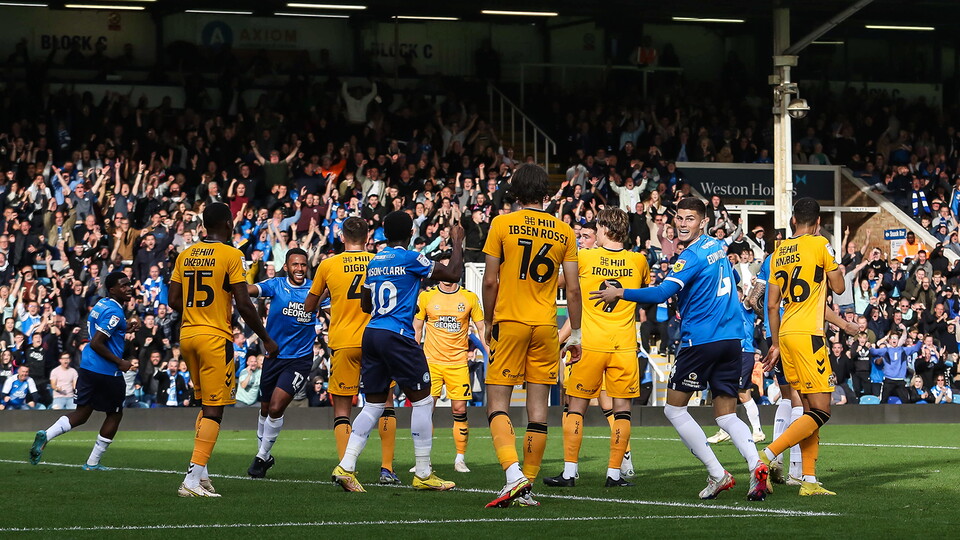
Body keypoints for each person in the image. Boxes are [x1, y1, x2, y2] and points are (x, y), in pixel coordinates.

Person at [591, 197, 768, 501]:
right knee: (725, 414)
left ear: (703, 222)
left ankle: (717, 472)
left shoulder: (692, 257)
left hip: (700, 341)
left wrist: (619, 291)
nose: (683, 224)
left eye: (690, 219)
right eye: (680, 218)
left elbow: (662, 292)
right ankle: (756, 465)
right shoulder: (717, 247)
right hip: (732, 341)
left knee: (674, 409)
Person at [332, 210, 464, 493]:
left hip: (372, 333)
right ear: (410, 233)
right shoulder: (411, 258)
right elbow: (453, 273)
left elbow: (366, 305)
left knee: (374, 404)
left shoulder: (376, 260)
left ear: (384, 234)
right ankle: (424, 472)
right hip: (398, 335)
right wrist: (457, 243)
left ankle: (346, 466)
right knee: (422, 401)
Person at [481, 163, 582, 508]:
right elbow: (572, 288)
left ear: (515, 192)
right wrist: (577, 333)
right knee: (539, 411)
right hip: (546, 326)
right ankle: (528, 487)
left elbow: (491, 279)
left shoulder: (501, 224)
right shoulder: (565, 231)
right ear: (545, 193)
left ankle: (513, 476)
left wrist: (486, 319)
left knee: (496, 404)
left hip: (510, 321)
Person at [169, 202, 278, 498]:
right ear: (229, 224)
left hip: (188, 335)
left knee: (205, 405)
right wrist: (266, 338)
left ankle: (201, 475)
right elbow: (243, 303)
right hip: (214, 337)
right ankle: (191, 480)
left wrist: (196, 312)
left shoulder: (185, 254)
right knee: (215, 411)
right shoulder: (231, 254)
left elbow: (173, 299)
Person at [544, 208, 649, 488]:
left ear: (603, 228)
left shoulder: (586, 257)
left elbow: (559, 282)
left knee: (575, 407)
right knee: (622, 411)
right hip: (624, 346)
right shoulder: (639, 260)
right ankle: (614, 474)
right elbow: (645, 289)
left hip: (589, 344)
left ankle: (569, 472)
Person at [305, 217, 404, 485]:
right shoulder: (379, 260)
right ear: (368, 235)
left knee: (342, 408)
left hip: (343, 341)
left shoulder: (328, 264)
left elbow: (308, 306)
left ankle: (347, 469)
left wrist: (329, 294)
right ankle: (387, 468)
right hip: (376, 339)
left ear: (341, 235)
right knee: (385, 402)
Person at [759, 197, 847, 497]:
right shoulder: (820, 245)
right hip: (810, 335)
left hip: (786, 334)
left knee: (808, 409)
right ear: (818, 222)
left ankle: (809, 479)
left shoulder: (779, 251)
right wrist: (832, 257)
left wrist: (774, 342)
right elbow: (839, 287)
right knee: (822, 411)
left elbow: (771, 304)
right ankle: (766, 456)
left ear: (794, 220)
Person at [29, 272, 139, 470]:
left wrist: (125, 327)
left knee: (82, 413)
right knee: (114, 414)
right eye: (123, 285)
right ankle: (92, 463)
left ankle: (47, 434)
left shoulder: (101, 304)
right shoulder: (115, 312)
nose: (129, 287)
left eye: (129, 284)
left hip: (87, 367)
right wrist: (120, 362)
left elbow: (102, 330)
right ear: (112, 289)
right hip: (107, 371)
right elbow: (97, 342)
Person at [246, 248, 317, 478]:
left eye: (303, 265)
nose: (299, 269)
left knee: (276, 407)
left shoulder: (314, 290)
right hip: (273, 357)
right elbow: (250, 290)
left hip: (299, 359)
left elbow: (332, 308)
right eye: (295, 264)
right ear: (286, 266)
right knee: (265, 409)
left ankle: (259, 458)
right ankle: (264, 456)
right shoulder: (276, 285)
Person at [412, 278, 486, 473]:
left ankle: (460, 459)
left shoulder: (469, 297)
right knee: (426, 410)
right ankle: (423, 460)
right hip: (431, 363)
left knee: (460, 410)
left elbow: (481, 327)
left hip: (458, 363)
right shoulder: (426, 297)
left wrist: (488, 350)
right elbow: (417, 328)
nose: (446, 275)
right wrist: (413, 356)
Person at [708, 288, 766, 445]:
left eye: (736, 295)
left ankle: (725, 430)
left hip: (744, 354)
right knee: (743, 394)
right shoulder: (724, 312)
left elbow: (750, 301)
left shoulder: (744, 308)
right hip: (732, 355)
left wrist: (755, 287)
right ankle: (757, 431)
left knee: (731, 392)